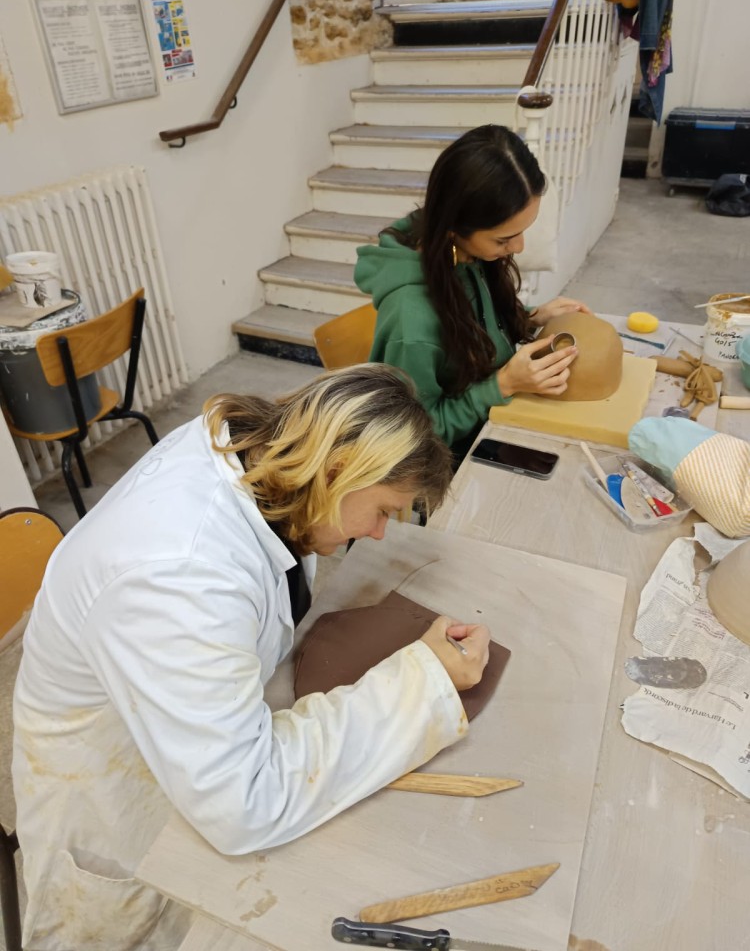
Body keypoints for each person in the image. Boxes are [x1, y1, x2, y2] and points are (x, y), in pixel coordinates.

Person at [12, 364, 490, 951]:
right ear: (337, 470)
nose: (379, 534)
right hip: (111, 791)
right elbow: (243, 802)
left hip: (171, 731)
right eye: (384, 511)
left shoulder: (258, 455)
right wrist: (423, 685)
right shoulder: (180, 575)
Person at [354, 124, 591, 460]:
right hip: (450, 462)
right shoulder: (411, 320)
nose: (519, 247)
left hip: (493, 423)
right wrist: (503, 385)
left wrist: (529, 317)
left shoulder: (464, 255)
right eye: (504, 239)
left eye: (523, 231)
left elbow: (471, 325)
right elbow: (412, 437)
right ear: (455, 227)